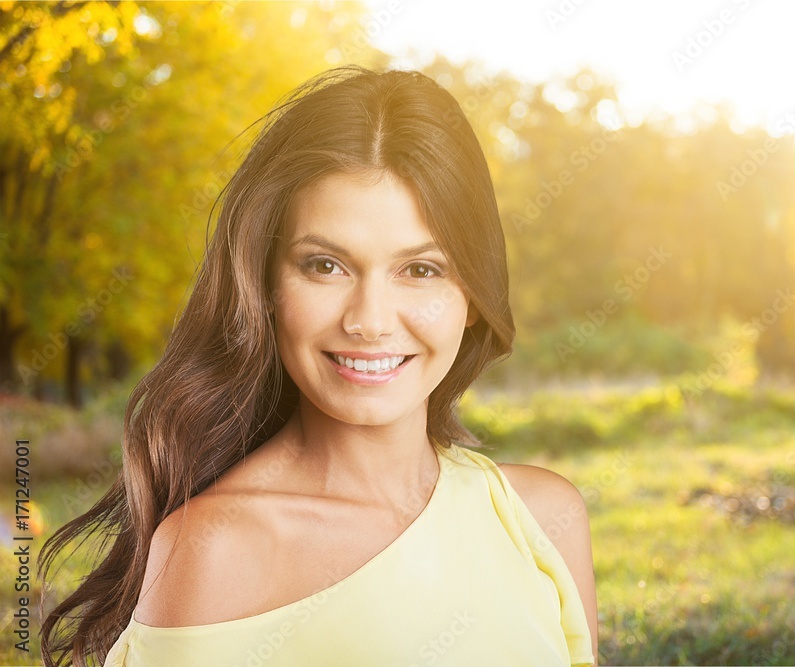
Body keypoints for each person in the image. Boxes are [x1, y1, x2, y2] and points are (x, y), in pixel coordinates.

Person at [39, 65, 598, 666]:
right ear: (265, 285)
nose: (370, 320)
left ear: (470, 298)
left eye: (421, 270)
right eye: (326, 266)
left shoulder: (545, 517)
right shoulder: (214, 553)